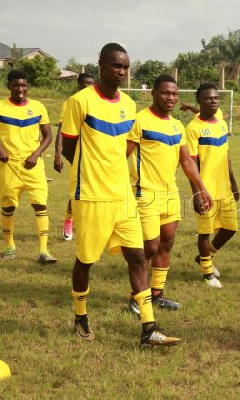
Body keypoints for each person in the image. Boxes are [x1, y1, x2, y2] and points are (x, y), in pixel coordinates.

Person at [61, 43, 179, 347]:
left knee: (138, 257)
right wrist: (89, 176)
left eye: (126, 66)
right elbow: (68, 147)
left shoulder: (129, 104)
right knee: (86, 261)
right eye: (116, 65)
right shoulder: (79, 102)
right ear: (100, 65)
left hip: (123, 196)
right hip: (90, 197)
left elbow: (124, 149)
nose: (122, 71)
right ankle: (81, 317)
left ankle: (148, 327)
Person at [126, 74, 213, 315]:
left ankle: (156, 293)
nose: (171, 98)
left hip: (170, 193)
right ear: (153, 93)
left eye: (174, 94)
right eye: (165, 93)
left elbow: (186, 161)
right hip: (144, 193)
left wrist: (202, 189)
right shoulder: (139, 121)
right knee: (149, 247)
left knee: (167, 243)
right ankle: (136, 297)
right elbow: (123, 155)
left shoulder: (177, 126)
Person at [0, 70, 57, 264]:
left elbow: (48, 135)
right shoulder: (1, 107)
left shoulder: (38, 107)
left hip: (33, 166)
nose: (20, 89)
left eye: (24, 85)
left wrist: (36, 153)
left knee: (41, 205)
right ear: (9, 86)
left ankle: (44, 251)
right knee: (8, 207)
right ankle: (9, 246)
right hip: (9, 166)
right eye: (16, 85)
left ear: (28, 87)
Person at [186, 83, 238, 289]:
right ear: (200, 102)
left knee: (231, 228)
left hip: (224, 187)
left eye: (216, 98)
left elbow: (226, 156)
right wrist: (197, 193)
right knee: (205, 232)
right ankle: (208, 274)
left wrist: (234, 183)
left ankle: (204, 257)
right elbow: (191, 164)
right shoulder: (193, 128)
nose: (213, 101)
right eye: (208, 98)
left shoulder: (222, 123)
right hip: (205, 189)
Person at [54, 72, 95, 241]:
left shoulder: (96, 102)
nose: (89, 86)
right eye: (86, 83)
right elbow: (62, 132)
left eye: (92, 83)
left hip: (95, 155)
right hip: (78, 154)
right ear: (79, 84)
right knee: (77, 193)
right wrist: (57, 154)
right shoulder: (72, 102)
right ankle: (68, 220)